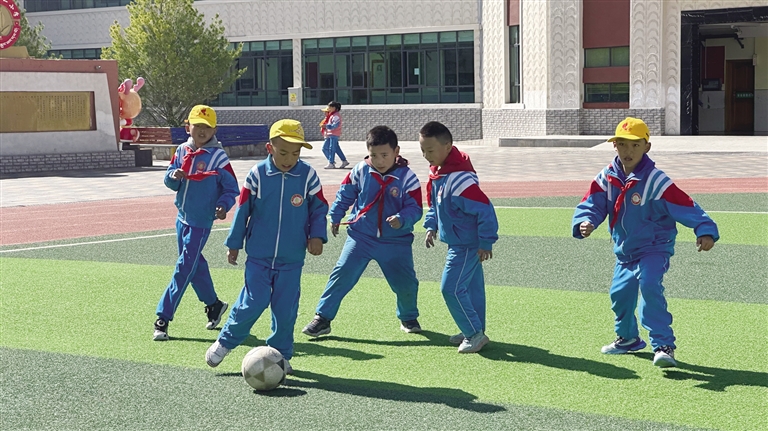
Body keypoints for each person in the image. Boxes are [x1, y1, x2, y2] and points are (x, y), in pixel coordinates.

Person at [572, 117, 719, 368]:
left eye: (635, 145)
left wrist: (704, 230)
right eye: (622, 144)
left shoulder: (656, 181)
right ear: (614, 146)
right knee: (619, 295)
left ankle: (663, 345)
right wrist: (585, 221)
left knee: (650, 286)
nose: (628, 151)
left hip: (654, 247)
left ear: (646, 147)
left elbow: (685, 205)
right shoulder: (606, 177)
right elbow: (592, 204)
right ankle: (628, 338)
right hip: (625, 250)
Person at [205, 119, 329, 373]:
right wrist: (234, 243)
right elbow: (243, 210)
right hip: (259, 256)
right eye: (283, 152)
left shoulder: (307, 175)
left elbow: (318, 208)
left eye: (295, 153)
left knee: (285, 310)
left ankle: (281, 354)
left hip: (291, 258)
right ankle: (225, 342)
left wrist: (317, 235)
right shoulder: (258, 174)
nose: (289, 159)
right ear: (269, 148)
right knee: (254, 301)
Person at [302, 126, 424, 337]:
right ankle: (322, 318)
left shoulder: (408, 178)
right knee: (342, 274)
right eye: (374, 155)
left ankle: (408, 317)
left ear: (396, 152)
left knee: (406, 283)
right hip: (360, 238)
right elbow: (345, 194)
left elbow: (415, 208)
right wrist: (336, 215)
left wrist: (402, 219)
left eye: (384, 155)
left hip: (396, 242)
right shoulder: (360, 170)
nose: (379, 160)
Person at [153, 105, 239, 341]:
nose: (202, 131)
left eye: (207, 127)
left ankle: (163, 317)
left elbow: (231, 188)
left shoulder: (218, 157)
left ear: (215, 130)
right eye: (197, 126)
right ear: (187, 127)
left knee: (183, 268)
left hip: (201, 222)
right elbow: (170, 179)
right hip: (182, 217)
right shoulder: (182, 150)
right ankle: (214, 304)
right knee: (194, 265)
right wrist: (173, 177)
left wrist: (223, 205)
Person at [419, 121, 499, 353]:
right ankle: (473, 329)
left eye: (430, 150)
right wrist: (431, 226)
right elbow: (436, 205)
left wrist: (486, 241)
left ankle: (474, 333)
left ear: (447, 147)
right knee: (472, 289)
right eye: (423, 150)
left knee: (451, 288)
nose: (426, 156)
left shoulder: (459, 180)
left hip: (466, 245)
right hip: (459, 241)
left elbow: (485, 209)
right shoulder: (439, 174)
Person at [320, 101, 349, 169]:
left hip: (334, 134)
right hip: (330, 134)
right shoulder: (332, 115)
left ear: (334, 108)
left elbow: (335, 125)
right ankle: (343, 161)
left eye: (330, 107)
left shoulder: (336, 116)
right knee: (333, 148)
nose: (328, 108)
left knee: (331, 148)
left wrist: (326, 126)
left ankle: (331, 163)